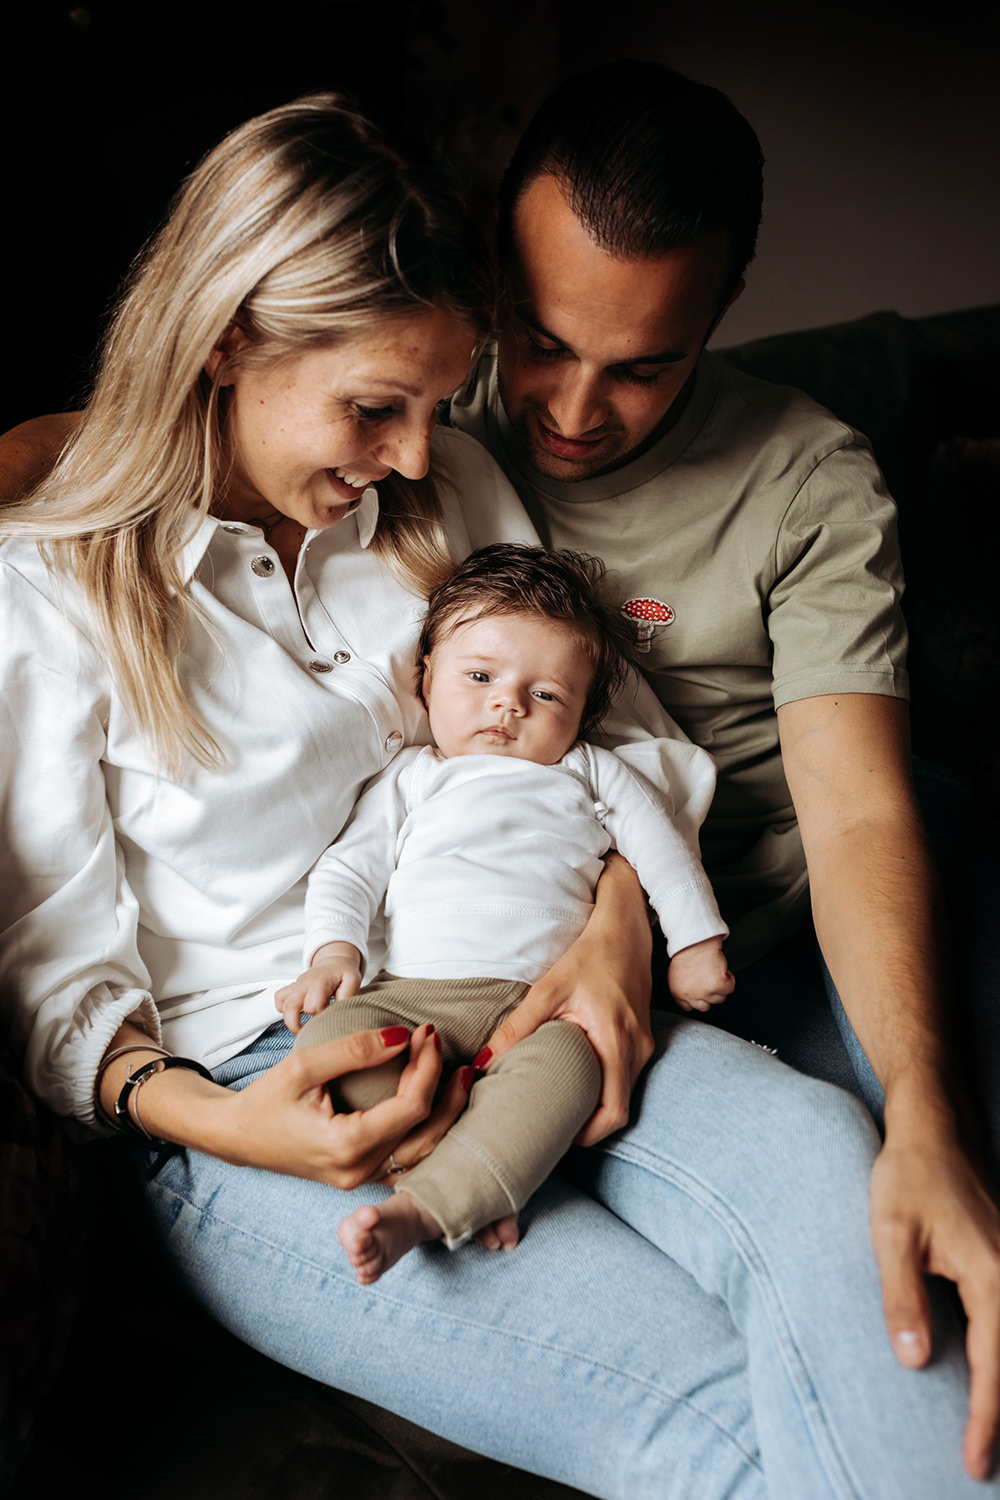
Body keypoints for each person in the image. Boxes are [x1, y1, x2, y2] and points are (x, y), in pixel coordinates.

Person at [0, 89, 994, 1499]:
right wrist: (233, 1124)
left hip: (531, 990)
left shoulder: (442, 485)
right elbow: (59, 979)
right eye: (374, 407)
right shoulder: (48, 591)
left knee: (831, 1171)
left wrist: (610, 934)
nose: (417, 453)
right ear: (224, 338)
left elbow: (620, 737)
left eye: (429, 404)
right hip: (260, 1076)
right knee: (710, 1420)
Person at [444, 59, 1000, 1481]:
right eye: (541, 338)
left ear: (722, 312)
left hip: (799, 909)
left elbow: (861, 807)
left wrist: (925, 1107)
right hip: (571, 943)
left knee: (945, 1210)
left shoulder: (808, 476)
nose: (569, 410)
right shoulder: (424, 424)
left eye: (641, 365)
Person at [279, 542, 731, 1282]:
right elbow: (350, 868)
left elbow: (665, 855)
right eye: (481, 676)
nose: (508, 704)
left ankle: (424, 1207)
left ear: (583, 715)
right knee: (327, 1046)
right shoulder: (414, 778)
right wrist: (335, 953)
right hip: (414, 995)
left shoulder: (590, 772)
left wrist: (694, 943)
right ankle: (474, 1165)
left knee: (567, 1080)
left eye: (547, 694)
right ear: (425, 679)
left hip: (546, 1009)